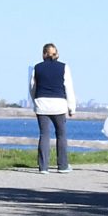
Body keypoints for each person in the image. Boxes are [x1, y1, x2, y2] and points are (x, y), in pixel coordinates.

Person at [29, 43, 76, 174]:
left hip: (42, 103)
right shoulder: (64, 67)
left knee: (44, 134)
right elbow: (69, 88)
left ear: (43, 54)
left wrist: (35, 101)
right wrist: (71, 107)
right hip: (59, 104)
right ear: (57, 54)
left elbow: (32, 87)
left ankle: (43, 167)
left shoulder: (37, 68)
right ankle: (62, 165)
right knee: (61, 134)